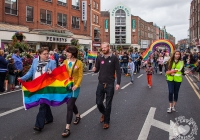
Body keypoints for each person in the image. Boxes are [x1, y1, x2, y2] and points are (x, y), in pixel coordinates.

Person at [19, 47, 56, 131]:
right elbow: (31, 72)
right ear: (39, 54)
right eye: (44, 54)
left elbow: (55, 75)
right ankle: (49, 118)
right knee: (44, 102)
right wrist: (22, 78)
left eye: (47, 54)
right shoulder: (35, 61)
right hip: (37, 85)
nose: (47, 55)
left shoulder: (52, 62)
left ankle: (39, 125)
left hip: (46, 86)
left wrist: (51, 73)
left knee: (42, 103)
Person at [92, 42, 121, 129]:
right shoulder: (99, 57)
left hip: (110, 84)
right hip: (100, 84)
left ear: (108, 47)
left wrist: (118, 83)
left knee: (108, 104)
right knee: (98, 103)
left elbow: (118, 71)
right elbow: (97, 70)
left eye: (105, 47)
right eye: (102, 48)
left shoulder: (114, 58)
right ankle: (104, 113)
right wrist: (94, 69)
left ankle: (106, 121)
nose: (103, 49)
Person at [61, 46, 83, 137]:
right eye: (66, 52)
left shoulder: (79, 63)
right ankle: (78, 115)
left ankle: (67, 128)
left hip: (75, 87)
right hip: (67, 86)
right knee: (71, 104)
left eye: (68, 52)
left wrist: (76, 85)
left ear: (73, 53)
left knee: (70, 106)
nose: (66, 54)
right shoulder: (65, 62)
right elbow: (60, 72)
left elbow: (80, 76)